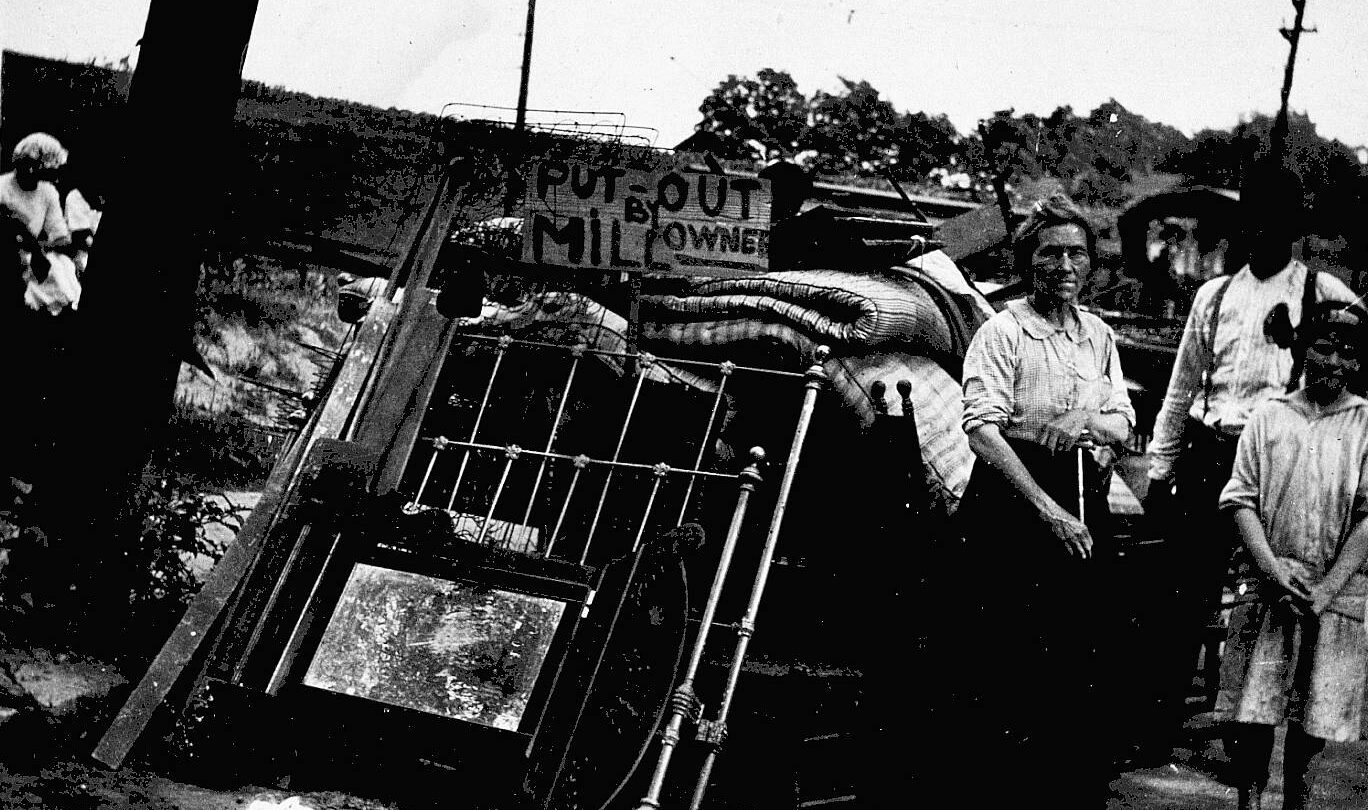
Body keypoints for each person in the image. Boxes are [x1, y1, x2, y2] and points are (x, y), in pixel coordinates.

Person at [1139, 159, 1356, 757]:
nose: (1266, 230)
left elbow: (1354, 358)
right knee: (1180, 595)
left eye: (1279, 218)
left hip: (1283, 460)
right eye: (1255, 217)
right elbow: (1182, 389)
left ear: (1295, 225)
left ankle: (1250, 736)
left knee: (1267, 599)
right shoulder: (1213, 296)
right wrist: (1161, 469)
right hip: (1212, 455)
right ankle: (1156, 727)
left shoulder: (1322, 292)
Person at [949, 193, 1135, 808]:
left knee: (1076, 659)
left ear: (1091, 263)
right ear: (1029, 258)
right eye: (1050, 252)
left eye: (1077, 253)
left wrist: (1086, 425)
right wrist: (1045, 506)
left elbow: (1122, 424)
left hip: (1080, 499)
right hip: (1011, 508)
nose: (1064, 265)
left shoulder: (1098, 335)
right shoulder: (1002, 331)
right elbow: (981, 428)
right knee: (1007, 664)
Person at [1217, 300, 1368, 810]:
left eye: (1349, 353)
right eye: (1323, 347)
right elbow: (1240, 499)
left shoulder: (1364, 424)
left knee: (1311, 722)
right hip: (1268, 587)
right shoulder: (1269, 417)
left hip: (1334, 593)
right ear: (1302, 348)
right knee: (1254, 713)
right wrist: (1271, 568)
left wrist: (1326, 589)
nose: (1334, 362)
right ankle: (1250, 802)